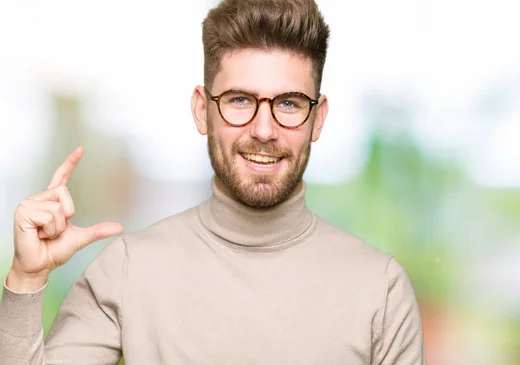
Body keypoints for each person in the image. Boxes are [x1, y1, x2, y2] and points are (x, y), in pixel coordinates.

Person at [0, 0, 426, 364]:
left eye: (289, 104)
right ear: (202, 110)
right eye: (240, 100)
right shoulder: (129, 269)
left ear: (318, 118)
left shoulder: (380, 289)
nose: (263, 130)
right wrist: (26, 278)